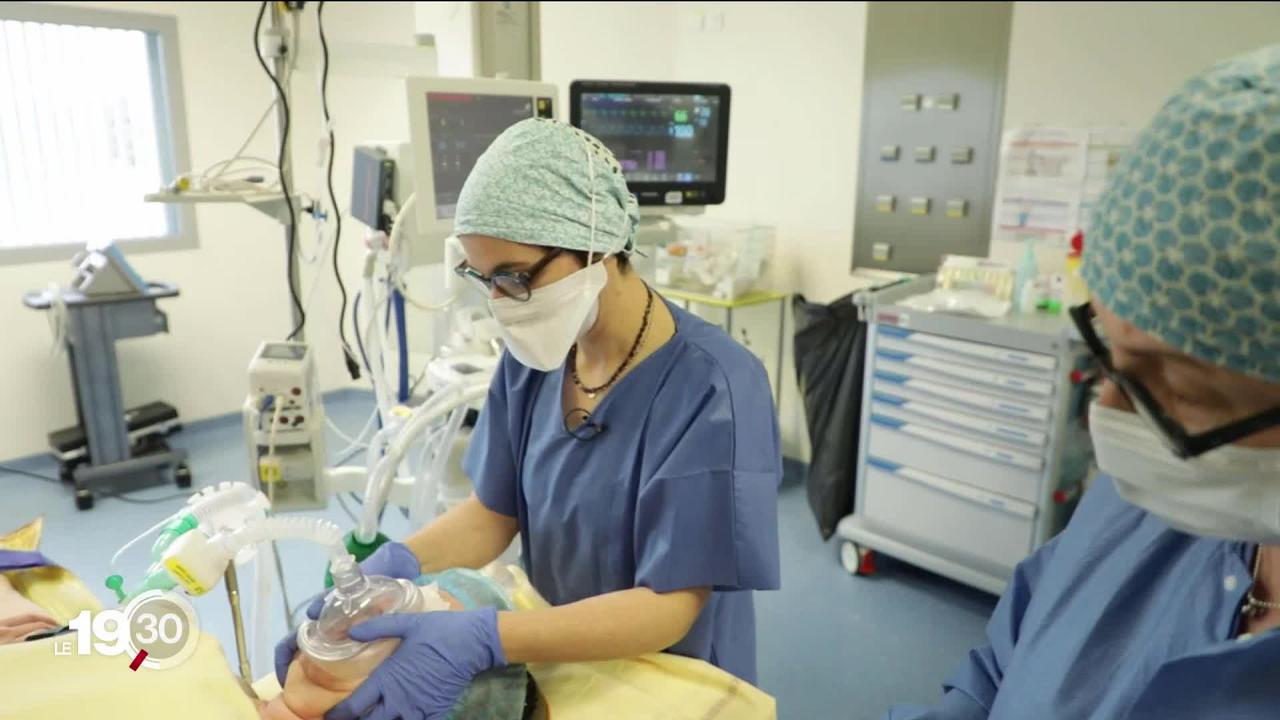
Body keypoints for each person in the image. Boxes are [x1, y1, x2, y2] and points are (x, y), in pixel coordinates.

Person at [277, 118, 782, 720]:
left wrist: (488, 637)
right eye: (483, 279)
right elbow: (495, 512)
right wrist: (397, 566)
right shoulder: (537, 358)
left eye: (514, 277)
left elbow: (667, 607)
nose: (500, 303)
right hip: (556, 642)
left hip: (668, 667)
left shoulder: (715, 387)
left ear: (596, 243)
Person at [886, 45, 1280, 719]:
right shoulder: (1147, 508)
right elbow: (1006, 665)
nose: (1108, 414)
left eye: (1177, 382)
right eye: (1108, 357)